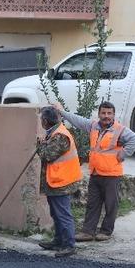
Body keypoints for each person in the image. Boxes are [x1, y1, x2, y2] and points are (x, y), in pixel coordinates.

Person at [53, 101, 135, 242]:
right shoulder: (93, 126)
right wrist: (62, 112)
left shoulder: (119, 130)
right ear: (99, 114)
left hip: (111, 175)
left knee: (111, 204)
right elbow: (78, 121)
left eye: (109, 113)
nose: (106, 116)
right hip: (95, 173)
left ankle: (106, 231)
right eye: (103, 113)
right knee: (92, 204)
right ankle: (87, 231)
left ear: (113, 115)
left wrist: (123, 154)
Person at [36, 106, 83, 257]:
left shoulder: (60, 136)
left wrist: (39, 145)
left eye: (41, 119)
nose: (41, 121)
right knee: (56, 213)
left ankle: (69, 245)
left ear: (45, 121)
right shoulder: (54, 133)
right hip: (55, 180)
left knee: (63, 214)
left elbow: (47, 155)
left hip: (62, 182)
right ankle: (58, 241)